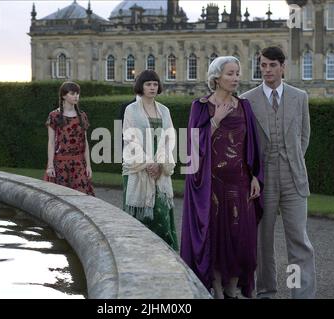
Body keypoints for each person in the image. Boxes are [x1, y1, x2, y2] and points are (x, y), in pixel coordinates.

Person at [181, 56, 264, 299]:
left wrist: (256, 176)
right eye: (230, 73)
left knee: (242, 238)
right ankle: (217, 289)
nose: (236, 78)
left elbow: (252, 146)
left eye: (237, 73)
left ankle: (232, 287)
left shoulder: (244, 105)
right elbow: (192, 147)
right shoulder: (200, 106)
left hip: (240, 182)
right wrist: (215, 120)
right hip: (211, 184)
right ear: (216, 77)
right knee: (215, 237)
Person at [241, 46, 316, 299]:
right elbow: (245, 142)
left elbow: (304, 137)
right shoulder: (247, 100)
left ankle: (301, 294)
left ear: (283, 67)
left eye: (272, 65)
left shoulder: (300, 97)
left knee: (299, 242)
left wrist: (292, 160)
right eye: (263, 65)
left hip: (294, 177)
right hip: (263, 180)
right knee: (263, 242)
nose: (267, 70)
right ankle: (266, 292)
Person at [122, 70, 178, 251]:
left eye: (155, 84)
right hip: (138, 168)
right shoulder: (131, 110)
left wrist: (160, 164)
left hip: (160, 168)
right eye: (148, 84)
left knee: (161, 216)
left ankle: (165, 254)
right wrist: (147, 163)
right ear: (141, 86)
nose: (152, 87)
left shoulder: (164, 110)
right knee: (139, 218)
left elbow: (170, 136)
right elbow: (129, 138)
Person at [44, 81, 95, 196]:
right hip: (60, 164)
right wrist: (50, 165)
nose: (76, 96)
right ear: (63, 96)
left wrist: (88, 165)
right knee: (61, 199)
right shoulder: (54, 116)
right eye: (72, 93)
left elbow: (85, 142)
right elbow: (51, 143)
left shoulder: (82, 116)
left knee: (83, 198)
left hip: (79, 164)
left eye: (77, 93)